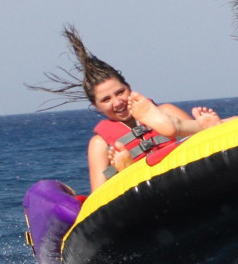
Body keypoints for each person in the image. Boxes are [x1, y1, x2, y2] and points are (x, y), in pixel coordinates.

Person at [30, 25, 220, 193]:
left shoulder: (166, 112)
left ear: (129, 87)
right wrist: (122, 172)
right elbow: (99, 198)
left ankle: (207, 128)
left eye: (120, 92)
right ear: (96, 106)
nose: (117, 102)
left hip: (187, 180)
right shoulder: (100, 145)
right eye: (106, 99)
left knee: (195, 134)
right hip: (146, 197)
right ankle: (129, 172)